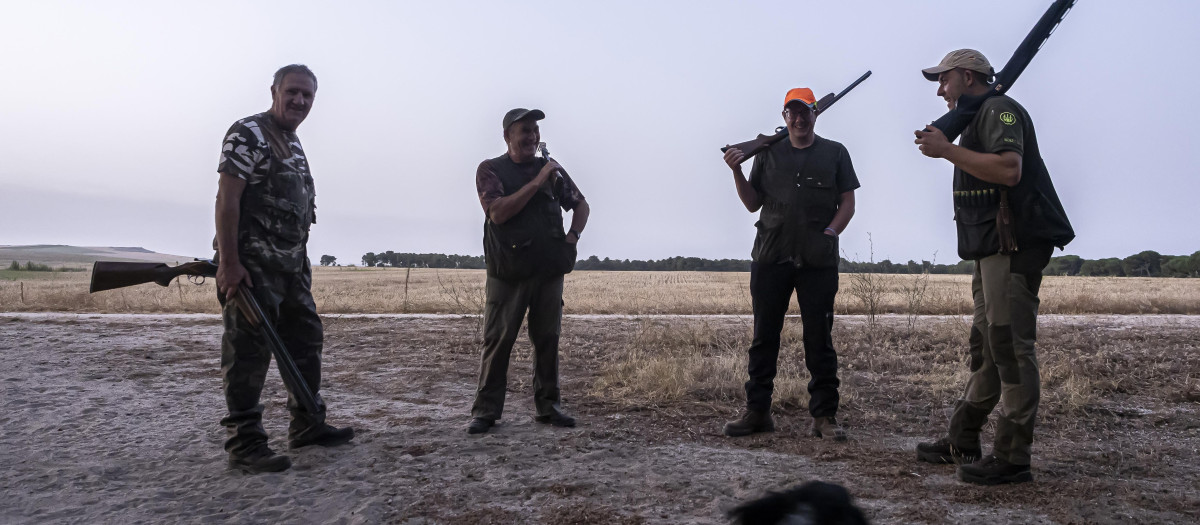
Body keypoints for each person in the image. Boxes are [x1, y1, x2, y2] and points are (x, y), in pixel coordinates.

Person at [913, 49, 1073, 485]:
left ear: (967, 76)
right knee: (986, 347)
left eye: (944, 80)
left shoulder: (999, 110)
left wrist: (946, 150)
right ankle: (962, 440)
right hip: (991, 249)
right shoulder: (975, 116)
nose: (941, 90)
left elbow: (1009, 170)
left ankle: (1012, 457)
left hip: (1013, 248)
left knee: (1011, 349)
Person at [213, 64, 354, 473]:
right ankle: (245, 444)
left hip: (291, 269)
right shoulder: (249, 133)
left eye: (307, 96)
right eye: (292, 92)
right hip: (253, 271)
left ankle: (308, 424)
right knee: (247, 355)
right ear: (274, 91)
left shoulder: (291, 141)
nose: (299, 101)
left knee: (306, 342)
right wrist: (230, 263)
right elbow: (227, 200)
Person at [721, 87, 859, 441]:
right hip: (771, 256)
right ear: (784, 117)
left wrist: (830, 231)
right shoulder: (767, 153)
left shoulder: (835, 153)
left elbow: (847, 202)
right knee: (763, 337)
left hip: (818, 260)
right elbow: (753, 203)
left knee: (820, 340)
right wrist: (736, 171)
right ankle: (757, 413)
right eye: (791, 113)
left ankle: (824, 417)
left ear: (816, 114)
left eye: (805, 112)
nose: (798, 119)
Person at [467, 108, 591, 434]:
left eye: (535, 131)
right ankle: (486, 411)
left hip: (548, 270)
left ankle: (549, 406)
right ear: (507, 135)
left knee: (548, 339)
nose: (532, 137)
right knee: (498, 340)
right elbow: (497, 213)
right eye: (524, 130)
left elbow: (581, 205)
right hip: (508, 272)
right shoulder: (491, 170)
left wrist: (572, 239)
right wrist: (537, 181)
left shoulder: (552, 170)